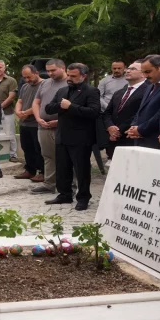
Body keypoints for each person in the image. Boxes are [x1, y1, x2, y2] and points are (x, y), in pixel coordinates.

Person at [44, 63, 100, 211]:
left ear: (83, 76)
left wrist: (71, 107)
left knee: (81, 170)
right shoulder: (62, 90)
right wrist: (60, 106)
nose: (69, 78)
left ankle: (83, 198)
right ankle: (64, 194)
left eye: (73, 76)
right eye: (68, 75)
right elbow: (49, 108)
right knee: (62, 168)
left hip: (81, 138)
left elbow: (94, 112)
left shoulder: (91, 91)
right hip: (62, 135)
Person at [31, 59, 68, 192]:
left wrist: (59, 121)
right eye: (48, 70)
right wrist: (38, 118)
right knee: (47, 156)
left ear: (63, 68)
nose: (50, 73)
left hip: (64, 126)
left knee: (66, 157)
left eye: (53, 70)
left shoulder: (70, 83)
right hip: (43, 125)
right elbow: (36, 103)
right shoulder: (45, 83)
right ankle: (49, 184)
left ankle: (68, 186)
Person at [103, 61, 149, 160]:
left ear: (143, 74)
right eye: (128, 68)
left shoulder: (148, 91)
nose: (128, 71)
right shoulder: (119, 92)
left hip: (131, 139)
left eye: (133, 69)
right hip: (113, 140)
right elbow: (107, 112)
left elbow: (139, 114)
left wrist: (118, 131)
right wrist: (110, 127)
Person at [14, 64, 44, 180]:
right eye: (24, 78)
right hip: (24, 123)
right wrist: (18, 111)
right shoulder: (25, 86)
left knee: (39, 148)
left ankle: (43, 172)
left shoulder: (45, 85)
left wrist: (26, 113)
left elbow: (41, 103)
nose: (27, 80)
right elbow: (20, 101)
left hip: (36, 122)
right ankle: (30, 170)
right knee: (27, 147)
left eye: (29, 77)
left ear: (36, 73)